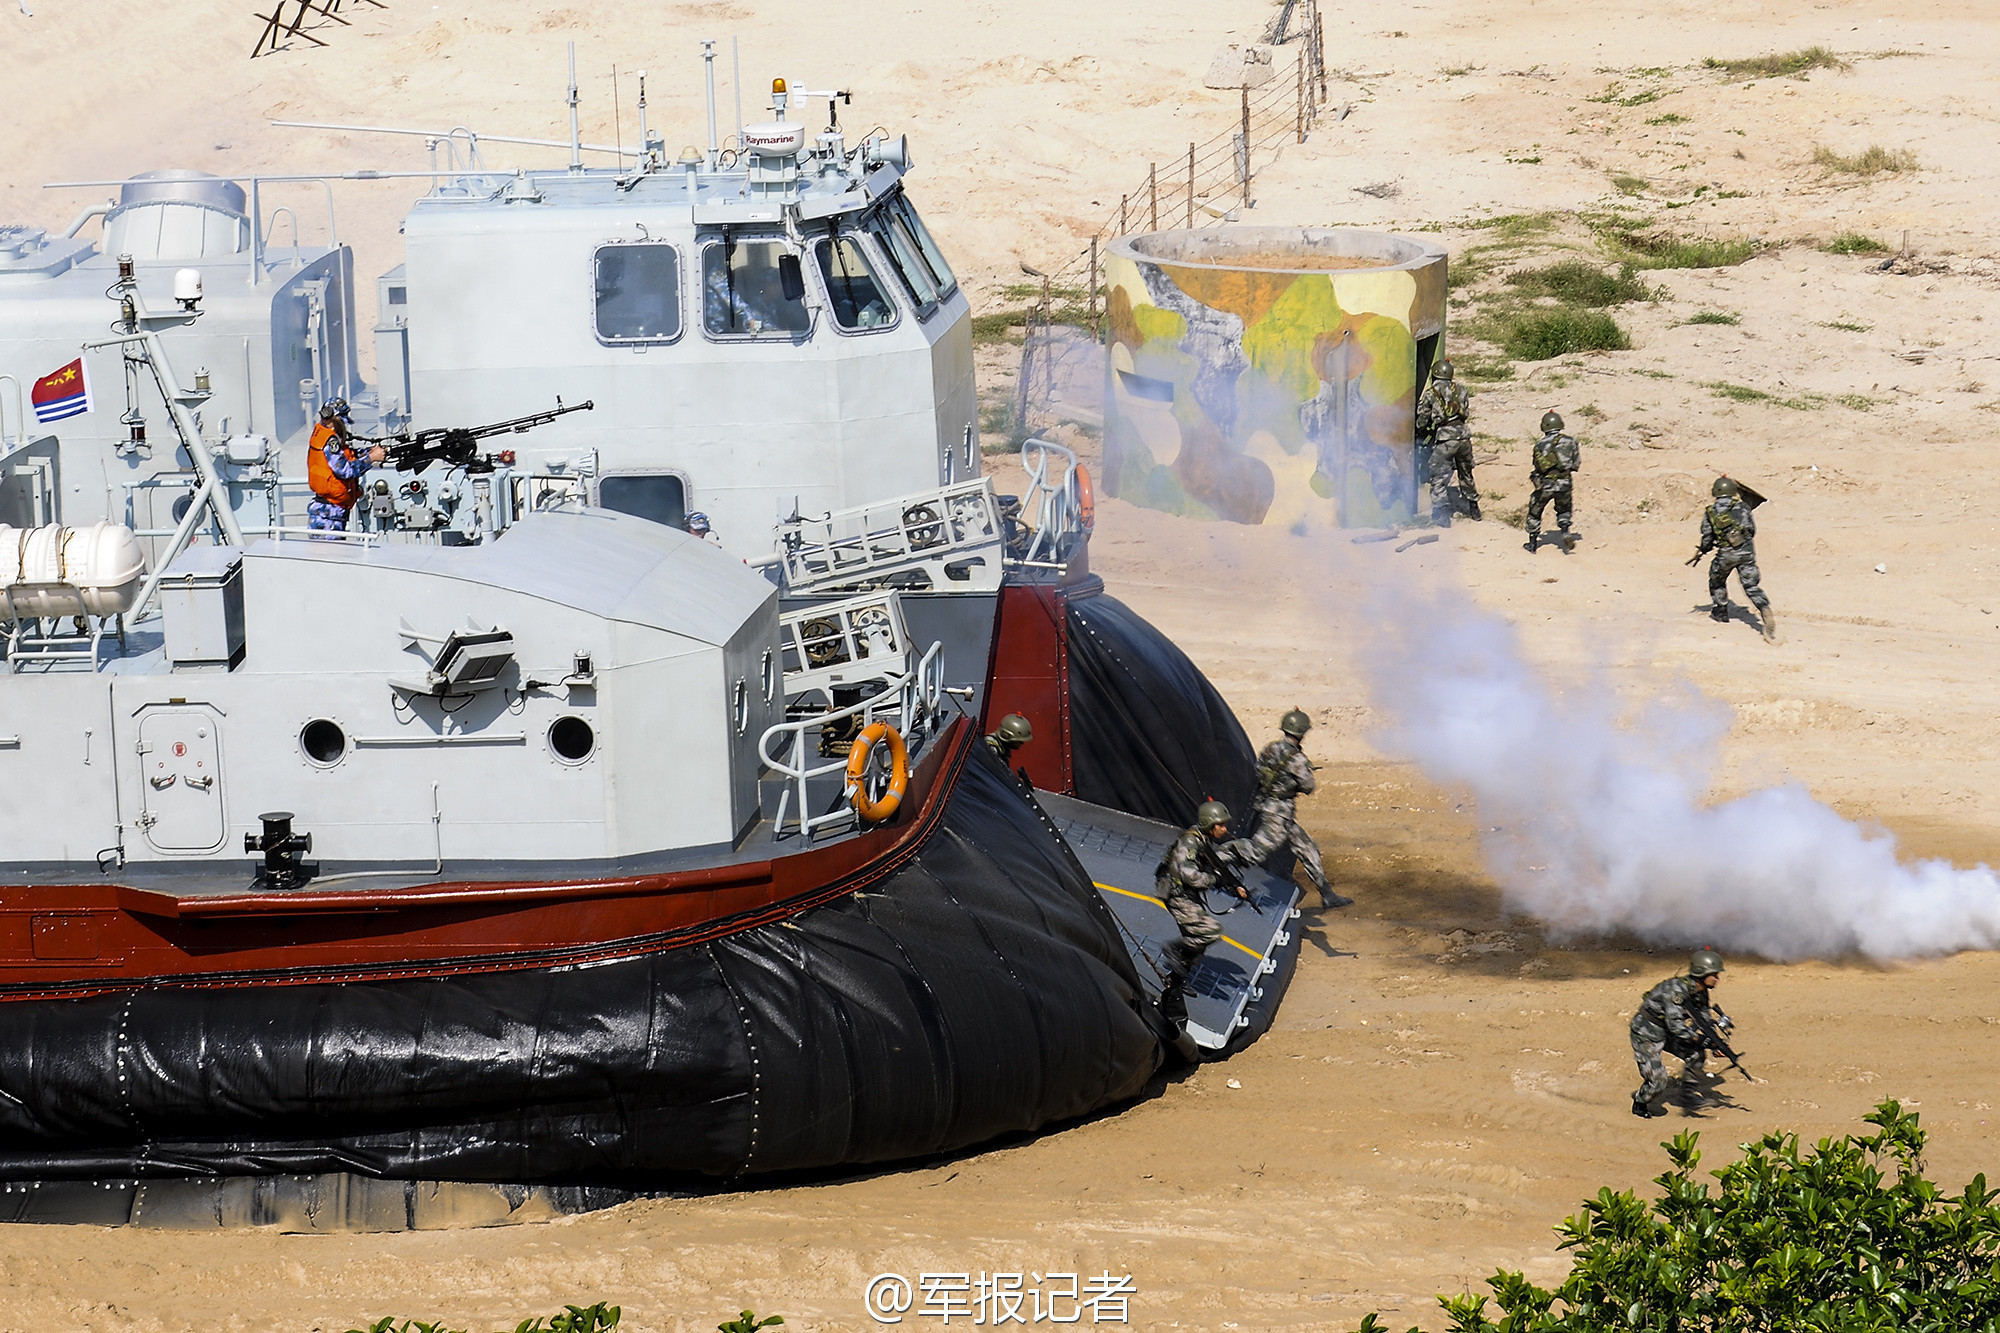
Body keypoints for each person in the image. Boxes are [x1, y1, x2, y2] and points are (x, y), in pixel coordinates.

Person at [1229, 709, 1351, 910]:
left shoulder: (1270, 749)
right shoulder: (1298, 760)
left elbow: (1258, 771)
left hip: (1271, 808)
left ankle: (1328, 895)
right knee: (1256, 851)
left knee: (1308, 848)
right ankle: (1219, 858)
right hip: (1279, 814)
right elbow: (1308, 787)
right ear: (1302, 732)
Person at [1156, 800, 1252, 1017]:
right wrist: (1214, 880)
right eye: (1221, 825)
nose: (1225, 829)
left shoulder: (1203, 840)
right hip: (1176, 893)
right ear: (1210, 824)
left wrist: (1234, 887)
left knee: (1198, 946)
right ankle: (1174, 949)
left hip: (1186, 894)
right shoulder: (1190, 842)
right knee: (1210, 930)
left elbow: (1213, 869)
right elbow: (1190, 875)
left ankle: (1176, 981)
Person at [1630, 948, 1734, 1117]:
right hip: (1646, 1033)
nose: (1717, 979)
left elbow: (1705, 1020)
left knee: (1696, 1054)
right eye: (1714, 975)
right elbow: (1676, 1027)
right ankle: (1640, 1103)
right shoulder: (1675, 992)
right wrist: (1701, 1040)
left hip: (1666, 1031)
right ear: (1702, 973)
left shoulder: (1700, 992)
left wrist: (1716, 1044)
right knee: (1658, 1082)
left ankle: (1687, 1096)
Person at [1693, 477, 1776, 643]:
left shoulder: (1712, 511)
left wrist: (1704, 549)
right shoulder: (1744, 507)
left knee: (1717, 579)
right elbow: (1751, 530)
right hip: (1747, 553)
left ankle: (1720, 612)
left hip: (1726, 555)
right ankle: (1764, 608)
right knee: (1751, 586)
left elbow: (1707, 537)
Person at [305, 399, 385, 533]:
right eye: (341, 421)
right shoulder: (330, 442)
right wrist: (371, 459)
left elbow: (346, 455)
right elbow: (344, 470)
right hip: (329, 515)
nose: (343, 426)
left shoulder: (324, 435)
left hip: (328, 511)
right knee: (330, 553)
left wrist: (368, 452)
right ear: (331, 418)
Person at [1417, 359, 1479, 526]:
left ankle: (1441, 515)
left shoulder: (1431, 393)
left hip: (1445, 438)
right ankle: (1474, 508)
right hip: (1464, 436)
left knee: (1438, 475)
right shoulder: (1462, 390)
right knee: (1466, 473)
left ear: (1435, 374)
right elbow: (1465, 411)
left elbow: (1422, 419)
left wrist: (1420, 432)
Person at [1524, 410, 1580, 553]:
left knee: (1535, 510)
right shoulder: (1571, 441)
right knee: (1564, 509)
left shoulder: (1539, 445)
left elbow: (1537, 466)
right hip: (1565, 483)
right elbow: (1576, 464)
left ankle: (1532, 543)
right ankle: (1565, 531)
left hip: (1546, 484)